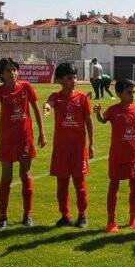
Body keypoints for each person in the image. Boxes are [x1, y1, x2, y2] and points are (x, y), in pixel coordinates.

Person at [0, 57, 46, 229]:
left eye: (14, 69)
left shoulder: (26, 87)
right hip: (7, 139)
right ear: (1, 73)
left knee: (25, 175)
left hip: (24, 138)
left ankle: (28, 214)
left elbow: (36, 109)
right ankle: (2, 216)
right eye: (8, 70)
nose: (12, 73)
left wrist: (42, 133)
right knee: (6, 177)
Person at [94, 79, 135, 233]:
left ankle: (134, 218)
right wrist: (98, 112)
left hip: (134, 155)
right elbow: (102, 120)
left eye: (134, 92)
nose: (132, 95)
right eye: (129, 92)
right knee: (114, 187)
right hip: (117, 156)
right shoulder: (114, 110)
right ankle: (111, 221)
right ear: (119, 93)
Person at [43, 62, 94, 228]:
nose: (73, 80)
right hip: (61, 149)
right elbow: (49, 103)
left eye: (74, 77)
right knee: (62, 185)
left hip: (79, 149)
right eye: (69, 77)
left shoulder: (82, 98)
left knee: (80, 184)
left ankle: (83, 215)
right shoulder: (56, 97)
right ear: (59, 80)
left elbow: (89, 121)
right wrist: (47, 107)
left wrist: (91, 143)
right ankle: (65, 215)